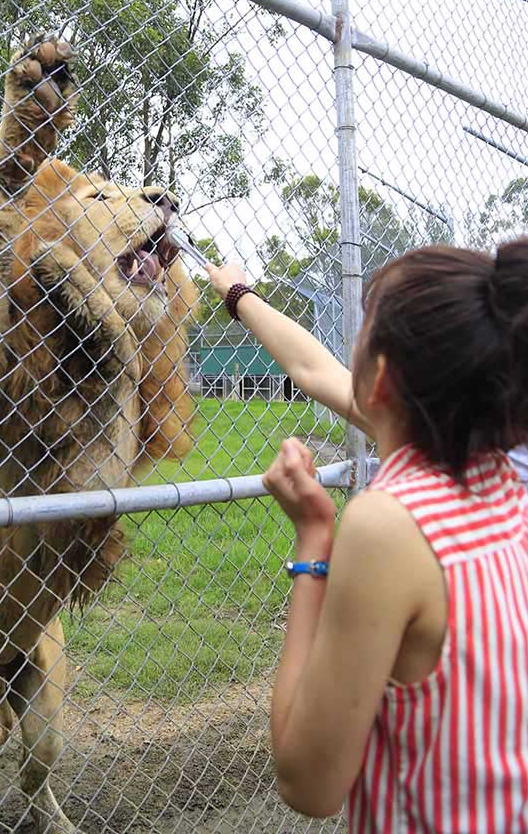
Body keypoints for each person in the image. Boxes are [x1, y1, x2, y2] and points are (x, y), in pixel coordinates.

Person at [206, 243, 528, 832]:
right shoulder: (509, 485)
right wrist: (239, 295)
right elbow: (312, 370)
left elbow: (309, 783)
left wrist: (313, 539)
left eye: (361, 326)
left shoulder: (393, 525)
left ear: (379, 380)